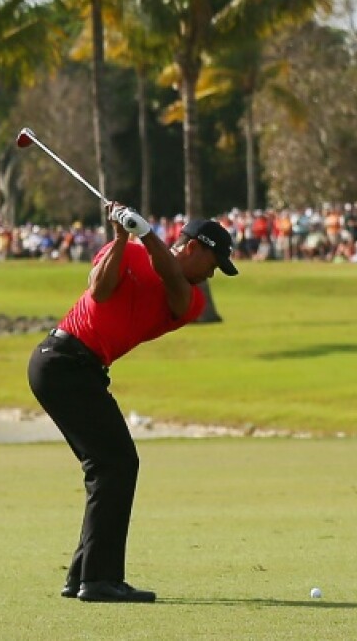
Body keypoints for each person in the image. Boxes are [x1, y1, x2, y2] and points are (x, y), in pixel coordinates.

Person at [27, 201, 238, 603]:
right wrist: (124, 237)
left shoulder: (191, 300)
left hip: (79, 371)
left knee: (108, 466)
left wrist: (147, 235)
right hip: (59, 362)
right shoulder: (124, 251)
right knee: (116, 463)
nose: (213, 274)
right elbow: (99, 291)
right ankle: (99, 579)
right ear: (194, 246)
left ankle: (83, 576)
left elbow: (173, 286)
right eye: (214, 262)